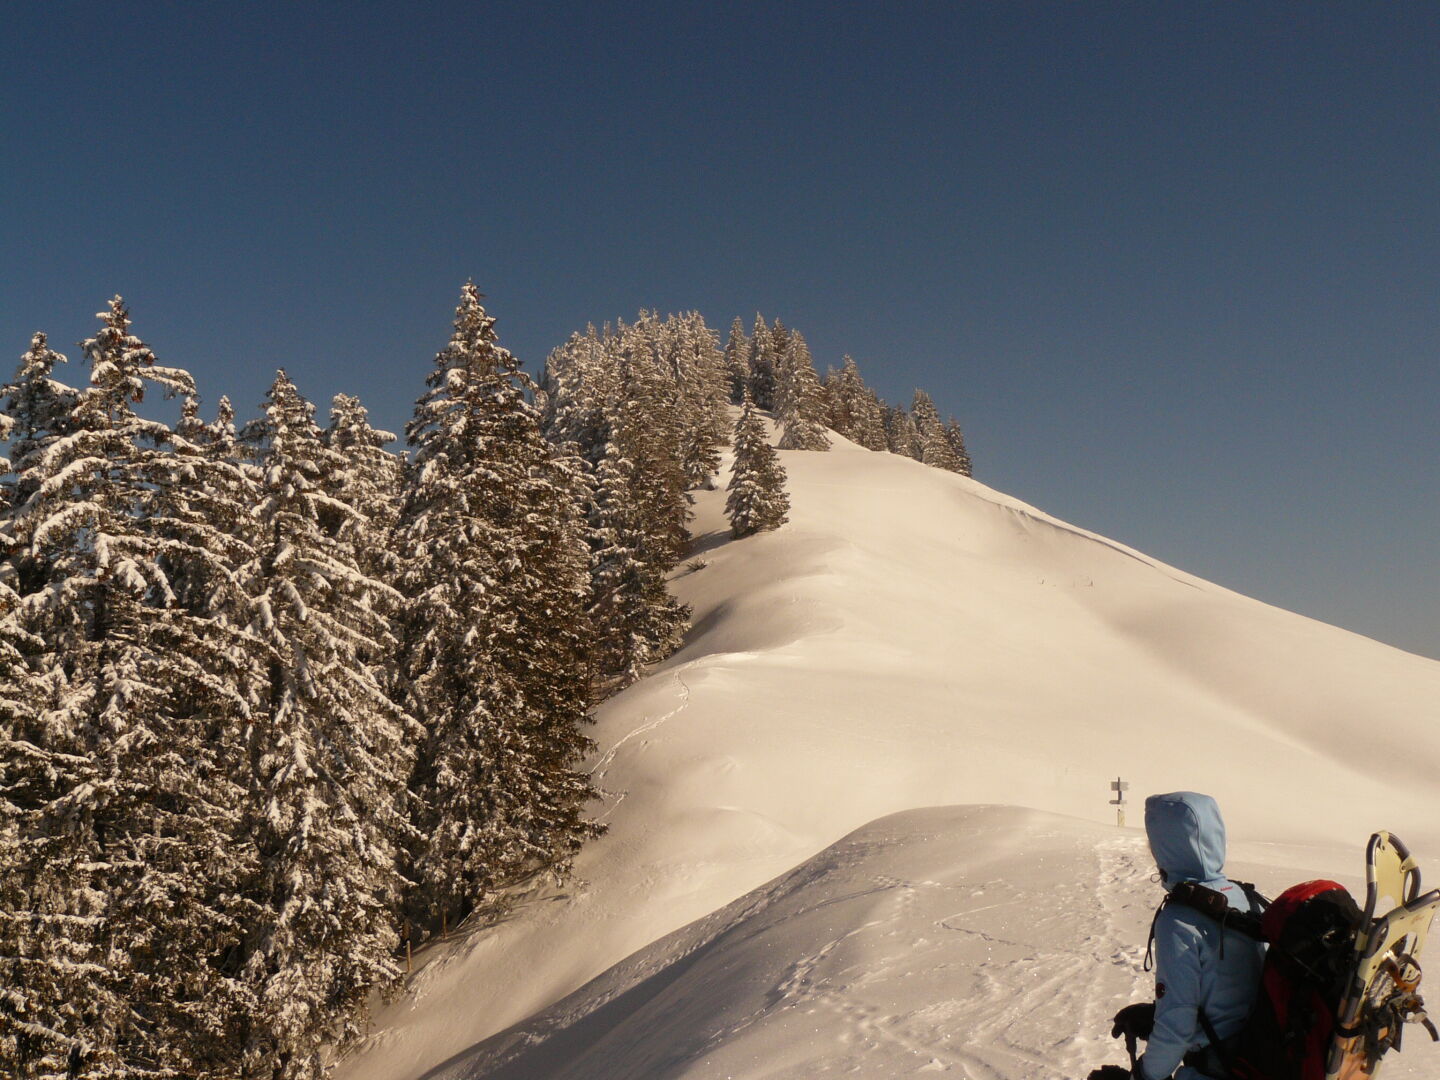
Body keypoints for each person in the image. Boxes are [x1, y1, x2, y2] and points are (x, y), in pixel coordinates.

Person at [1088, 791, 1266, 1080]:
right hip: (1256, 1062)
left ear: (1165, 846)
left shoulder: (1180, 919)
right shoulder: (1245, 898)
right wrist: (1154, 1013)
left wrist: (1143, 1075)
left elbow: (1177, 1027)